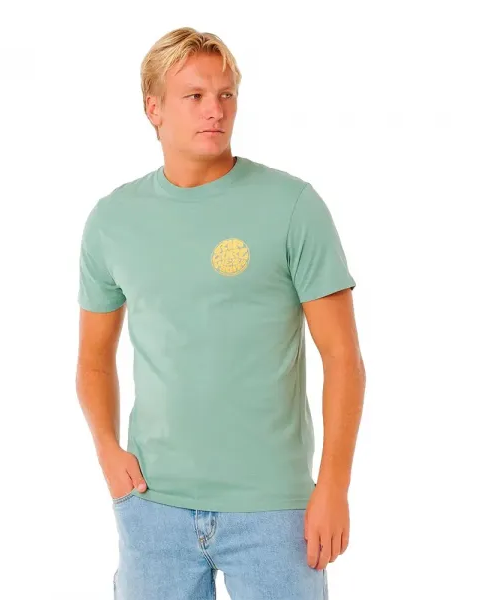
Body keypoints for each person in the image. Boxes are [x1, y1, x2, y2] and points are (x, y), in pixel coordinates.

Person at [75, 26, 365, 600]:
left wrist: (333, 485)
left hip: (275, 511)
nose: (216, 110)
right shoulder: (113, 220)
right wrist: (108, 451)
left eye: (226, 94)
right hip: (153, 507)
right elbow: (93, 360)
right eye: (195, 96)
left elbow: (343, 359)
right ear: (153, 109)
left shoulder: (292, 206)